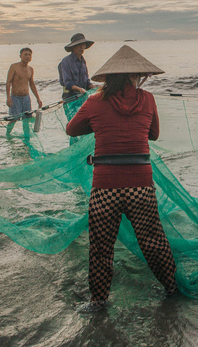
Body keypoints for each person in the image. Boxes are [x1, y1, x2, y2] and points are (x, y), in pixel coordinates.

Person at [66, 45, 177, 308]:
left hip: (105, 188)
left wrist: (99, 121)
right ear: (135, 77)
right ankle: (172, 289)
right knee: (153, 242)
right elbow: (154, 135)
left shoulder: (95, 101)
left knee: (101, 249)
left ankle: (99, 301)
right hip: (141, 185)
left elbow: (72, 130)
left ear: (109, 78)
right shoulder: (147, 99)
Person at [5, 47, 43, 136]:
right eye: (25, 54)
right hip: (15, 97)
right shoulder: (14, 67)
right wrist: (8, 97)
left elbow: (32, 84)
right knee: (14, 119)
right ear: (20, 56)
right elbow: (8, 82)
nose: (27, 56)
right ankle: (7, 134)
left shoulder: (30, 69)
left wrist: (38, 98)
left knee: (27, 119)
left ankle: (27, 137)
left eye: (29, 55)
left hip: (26, 98)